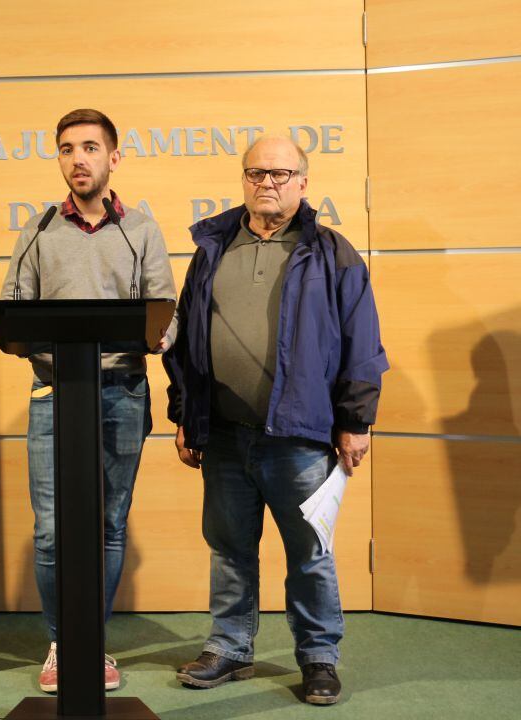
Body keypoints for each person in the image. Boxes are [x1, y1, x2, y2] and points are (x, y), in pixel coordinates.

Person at [164, 135, 388, 705]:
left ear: (304, 182)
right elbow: (187, 337)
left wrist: (356, 422)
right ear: (244, 179)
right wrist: (186, 414)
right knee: (230, 547)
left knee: (309, 552)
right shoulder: (212, 247)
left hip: (301, 436)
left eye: (282, 174)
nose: (269, 183)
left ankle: (318, 657)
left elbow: (362, 343)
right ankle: (230, 648)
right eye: (258, 174)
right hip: (225, 433)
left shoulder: (331, 252)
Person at [0, 109, 177, 694]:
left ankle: (92, 645)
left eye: (91, 148)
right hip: (55, 393)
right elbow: (13, 312)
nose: (79, 159)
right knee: (51, 530)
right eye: (68, 149)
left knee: (107, 525)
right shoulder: (39, 229)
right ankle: (62, 644)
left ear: (113, 158)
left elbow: (165, 322)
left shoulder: (142, 230)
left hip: (122, 391)